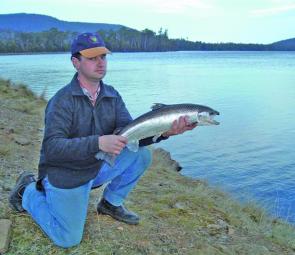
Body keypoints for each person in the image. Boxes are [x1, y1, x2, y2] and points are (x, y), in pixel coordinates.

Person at [9, 32, 197, 248]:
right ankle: (28, 190)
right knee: (68, 239)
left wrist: (164, 133)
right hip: (66, 175)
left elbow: (131, 138)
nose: (100, 63)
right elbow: (52, 148)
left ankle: (110, 203)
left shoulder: (112, 96)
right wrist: (98, 142)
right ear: (75, 62)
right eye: (92, 58)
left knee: (141, 155)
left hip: (96, 166)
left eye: (103, 57)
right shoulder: (61, 101)